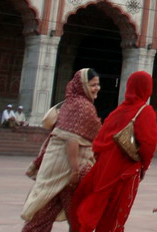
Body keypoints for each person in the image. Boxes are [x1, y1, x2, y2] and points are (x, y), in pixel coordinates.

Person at [71, 71, 157, 232]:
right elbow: (148, 144)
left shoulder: (118, 111)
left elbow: (99, 140)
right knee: (116, 213)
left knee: (99, 203)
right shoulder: (145, 111)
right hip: (126, 169)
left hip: (104, 166)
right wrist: (144, 166)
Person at [21, 69, 101, 232]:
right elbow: (72, 138)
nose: (97, 88)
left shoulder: (70, 102)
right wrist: (74, 170)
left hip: (53, 169)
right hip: (71, 170)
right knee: (78, 219)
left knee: (41, 217)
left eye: (98, 84)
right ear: (83, 85)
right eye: (93, 85)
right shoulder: (83, 105)